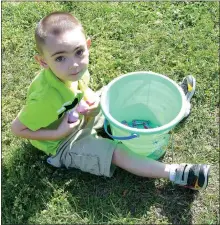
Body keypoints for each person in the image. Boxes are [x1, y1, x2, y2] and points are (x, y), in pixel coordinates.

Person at [11, 12, 210, 191]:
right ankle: (178, 174)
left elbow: (81, 92)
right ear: (43, 62)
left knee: (118, 91)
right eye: (60, 58)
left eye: (79, 52)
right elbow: (17, 129)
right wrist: (58, 133)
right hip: (64, 143)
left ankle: (177, 105)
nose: (74, 64)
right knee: (115, 152)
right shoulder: (44, 99)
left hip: (80, 116)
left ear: (87, 45)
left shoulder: (74, 72)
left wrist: (92, 106)